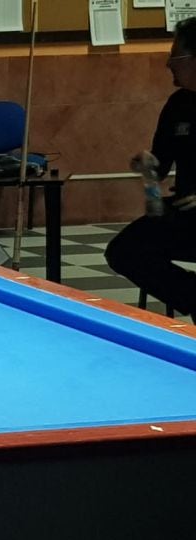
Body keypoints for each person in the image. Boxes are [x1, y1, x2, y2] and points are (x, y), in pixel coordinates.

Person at [105, 18, 196, 318]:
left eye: (175, 57)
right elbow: (159, 168)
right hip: (187, 212)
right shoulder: (178, 105)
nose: (169, 64)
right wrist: (147, 169)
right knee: (124, 252)